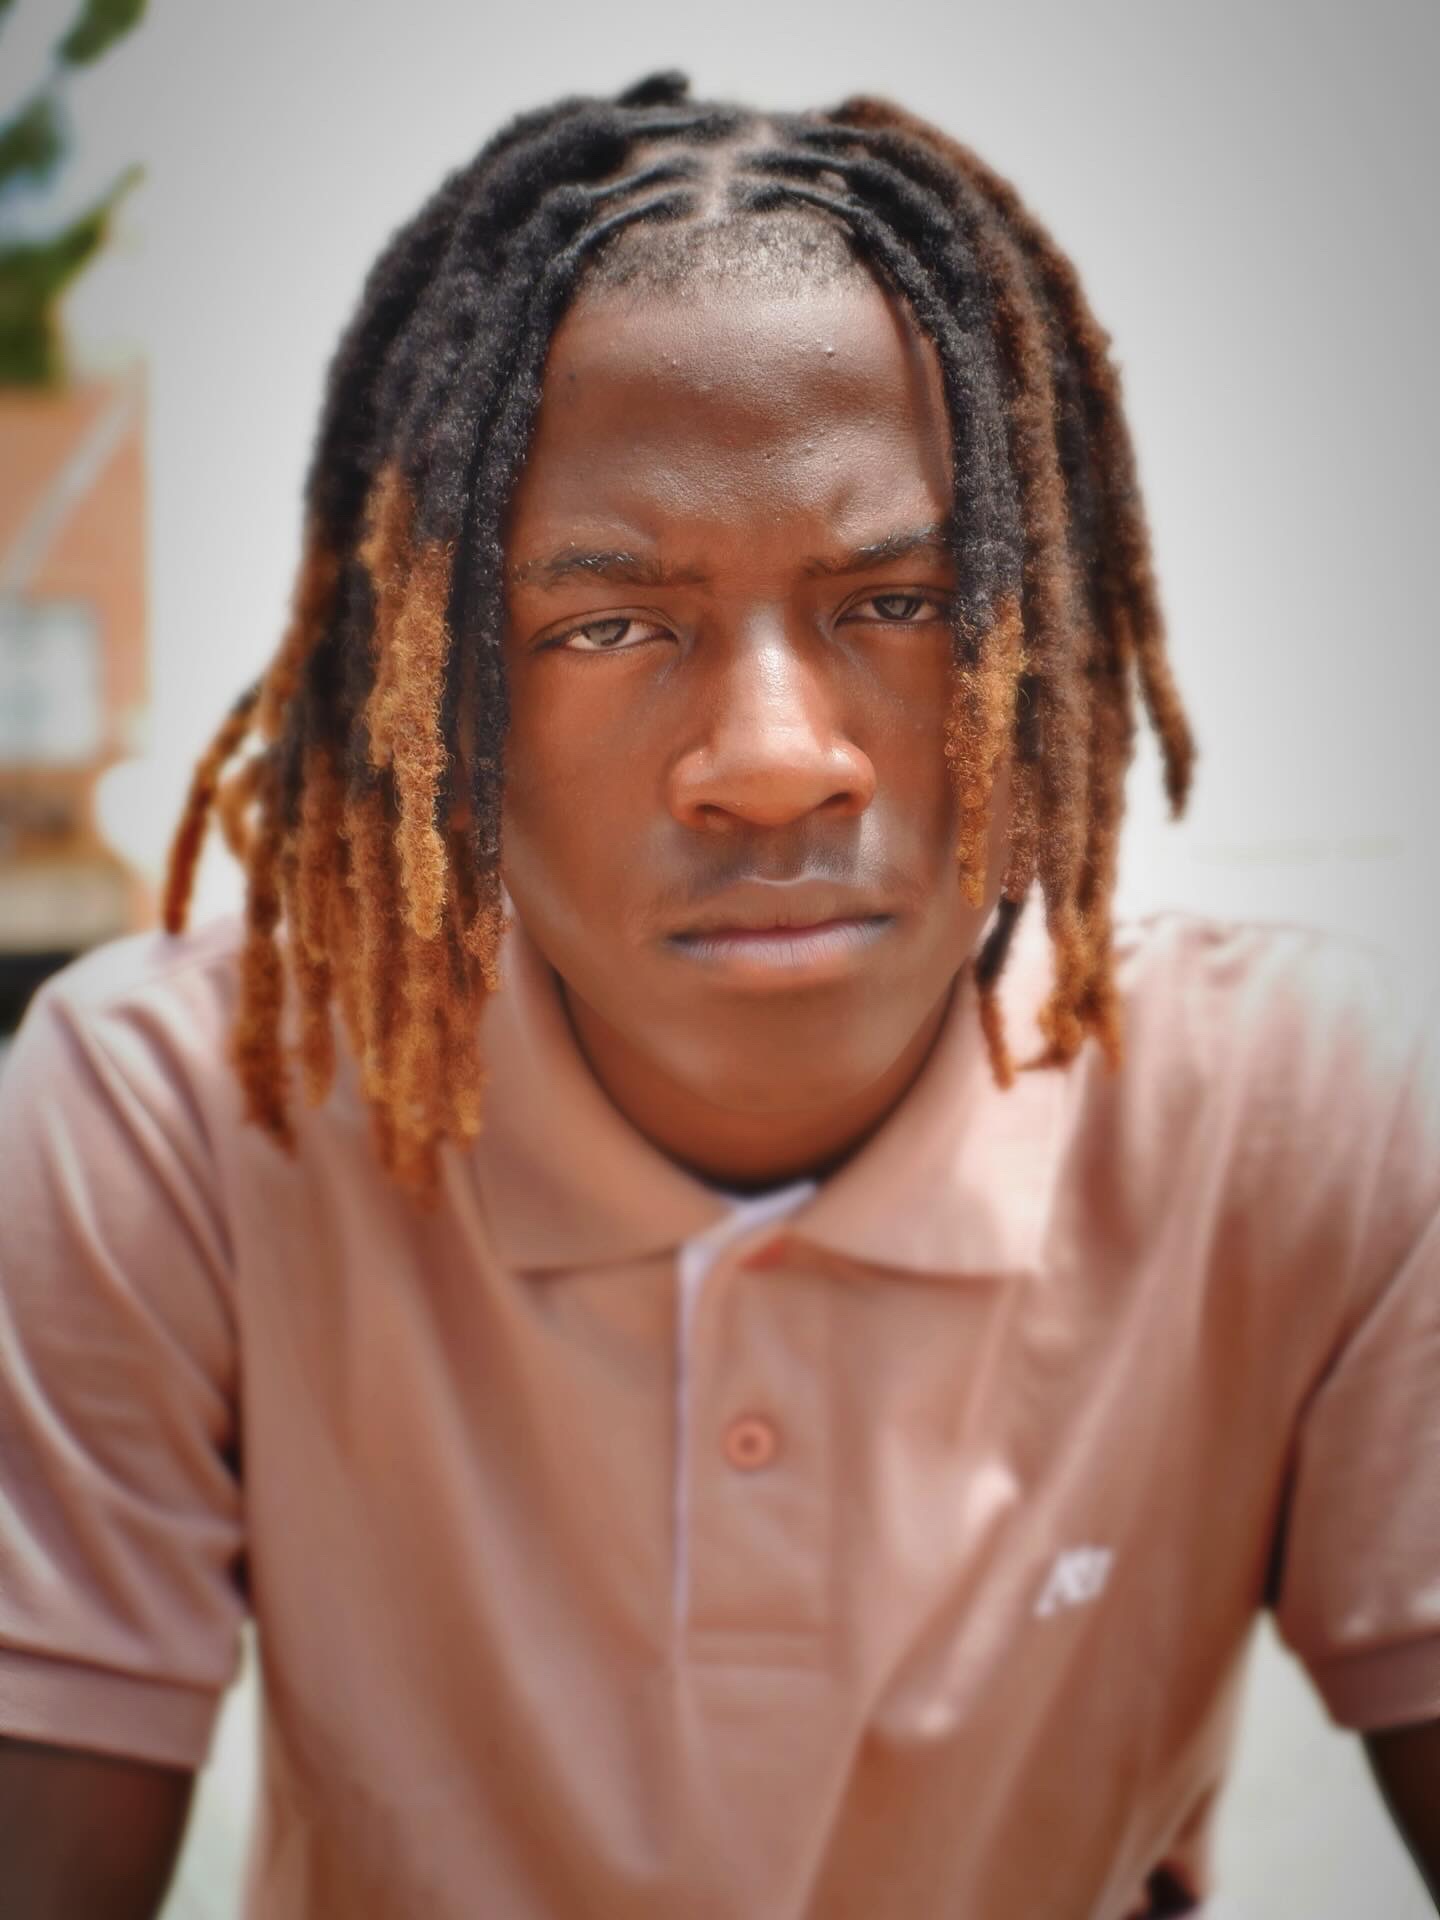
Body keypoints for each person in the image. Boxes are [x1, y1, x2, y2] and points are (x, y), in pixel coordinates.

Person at [0, 69, 1435, 1920]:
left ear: (1049, 645)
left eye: (899, 601)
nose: (771, 762)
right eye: (608, 626)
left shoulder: (1298, 1125)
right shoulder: (185, 1119)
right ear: (440, 700)